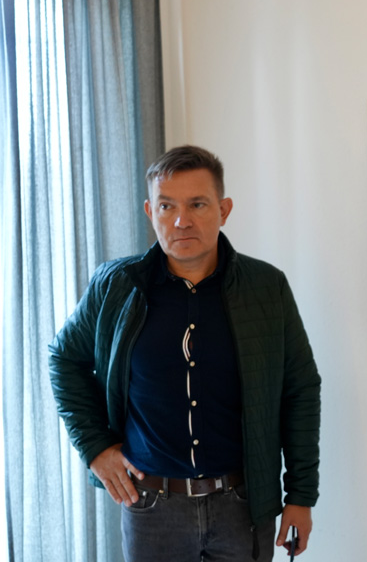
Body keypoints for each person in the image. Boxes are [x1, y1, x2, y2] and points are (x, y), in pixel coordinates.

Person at [48, 145, 321, 561]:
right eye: (166, 206)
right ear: (149, 211)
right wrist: (95, 447)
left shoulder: (267, 288)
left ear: (224, 210)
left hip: (243, 506)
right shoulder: (116, 286)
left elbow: (300, 390)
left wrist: (300, 495)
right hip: (150, 508)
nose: (181, 220)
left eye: (197, 204)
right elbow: (64, 359)